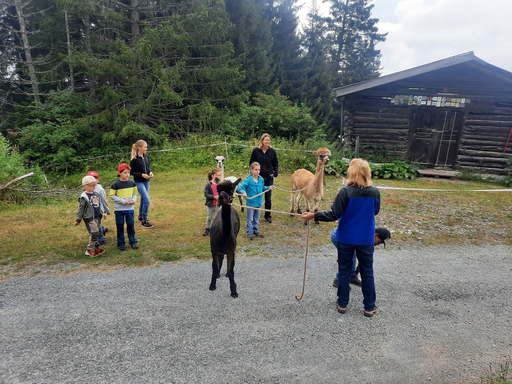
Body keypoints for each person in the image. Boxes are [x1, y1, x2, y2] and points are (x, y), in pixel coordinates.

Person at [302, 158, 380, 317]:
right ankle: (369, 307)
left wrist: (314, 215)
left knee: (344, 271)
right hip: (366, 239)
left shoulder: (346, 192)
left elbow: (333, 214)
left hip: (346, 238)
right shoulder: (375, 192)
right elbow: (375, 211)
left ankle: (342, 303)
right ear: (367, 173)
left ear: (352, 172)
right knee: (367, 272)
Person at [238, 162, 275, 240]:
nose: (258, 171)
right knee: (250, 219)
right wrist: (243, 192)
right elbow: (240, 188)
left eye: (259, 170)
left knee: (256, 218)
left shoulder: (261, 179)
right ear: (251, 170)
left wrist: (268, 187)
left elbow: (262, 188)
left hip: (258, 202)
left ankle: (255, 230)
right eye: (256, 170)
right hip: (251, 203)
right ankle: (249, 232)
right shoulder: (247, 180)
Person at [74, 175, 107, 257]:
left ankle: (96, 248)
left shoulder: (95, 194)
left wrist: (102, 212)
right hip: (89, 218)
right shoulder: (84, 197)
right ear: (85, 186)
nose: (94, 186)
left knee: (97, 232)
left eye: (95, 184)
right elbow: (81, 209)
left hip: (97, 217)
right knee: (94, 233)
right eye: (92, 185)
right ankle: (89, 250)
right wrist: (78, 220)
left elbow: (97, 205)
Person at [249, 133, 278, 223]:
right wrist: (252, 172)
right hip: (258, 177)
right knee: (256, 195)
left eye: (269, 140)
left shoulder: (272, 151)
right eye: (266, 140)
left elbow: (275, 163)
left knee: (268, 198)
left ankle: (267, 215)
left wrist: (275, 173)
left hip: (269, 177)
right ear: (262, 141)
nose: (268, 141)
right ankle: (253, 214)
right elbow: (251, 163)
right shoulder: (256, 151)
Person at [110, 163, 138, 251]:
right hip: (119, 210)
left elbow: (135, 193)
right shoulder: (115, 184)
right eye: (125, 172)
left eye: (128, 172)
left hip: (130, 209)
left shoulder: (132, 182)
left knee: (130, 226)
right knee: (120, 226)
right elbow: (112, 196)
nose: (127, 174)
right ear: (120, 173)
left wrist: (134, 200)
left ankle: (133, 241)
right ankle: (121, 243)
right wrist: (122, 201)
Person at [130, 140, 154, 229]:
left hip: (146, 181)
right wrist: (141, 175)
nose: (146, 149)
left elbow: (147, 167)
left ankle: (140, 216)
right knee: (147, 200)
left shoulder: (146, 156)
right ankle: (144, 220)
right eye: (145, 147)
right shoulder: (134, 159)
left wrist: (150, 172)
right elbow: (132, 172)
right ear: (139, 148)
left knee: (144, 200)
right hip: (139, 182)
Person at [86, 171, 111, 245]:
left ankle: (101, 238)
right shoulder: (87, 189)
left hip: (99, 211)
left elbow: (104, 200)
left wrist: (106, 210)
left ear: (98, 180)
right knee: (93, 224)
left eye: (95, 178)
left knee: (96, 225)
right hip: (90, 211)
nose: (93, 180)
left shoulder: (100, 190)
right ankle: (103, 229)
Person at [203, 168, 222, 236]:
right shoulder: (209, 184)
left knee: (217, 218)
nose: (219, 177)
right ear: (213, 175)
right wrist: (214, 197)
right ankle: (207, 229)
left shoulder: (220, 184)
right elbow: (206, 194)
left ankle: (216, 229)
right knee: (209, 217)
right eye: (218, 175)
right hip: (211, 205)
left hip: (218, 205)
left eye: (220, 176)